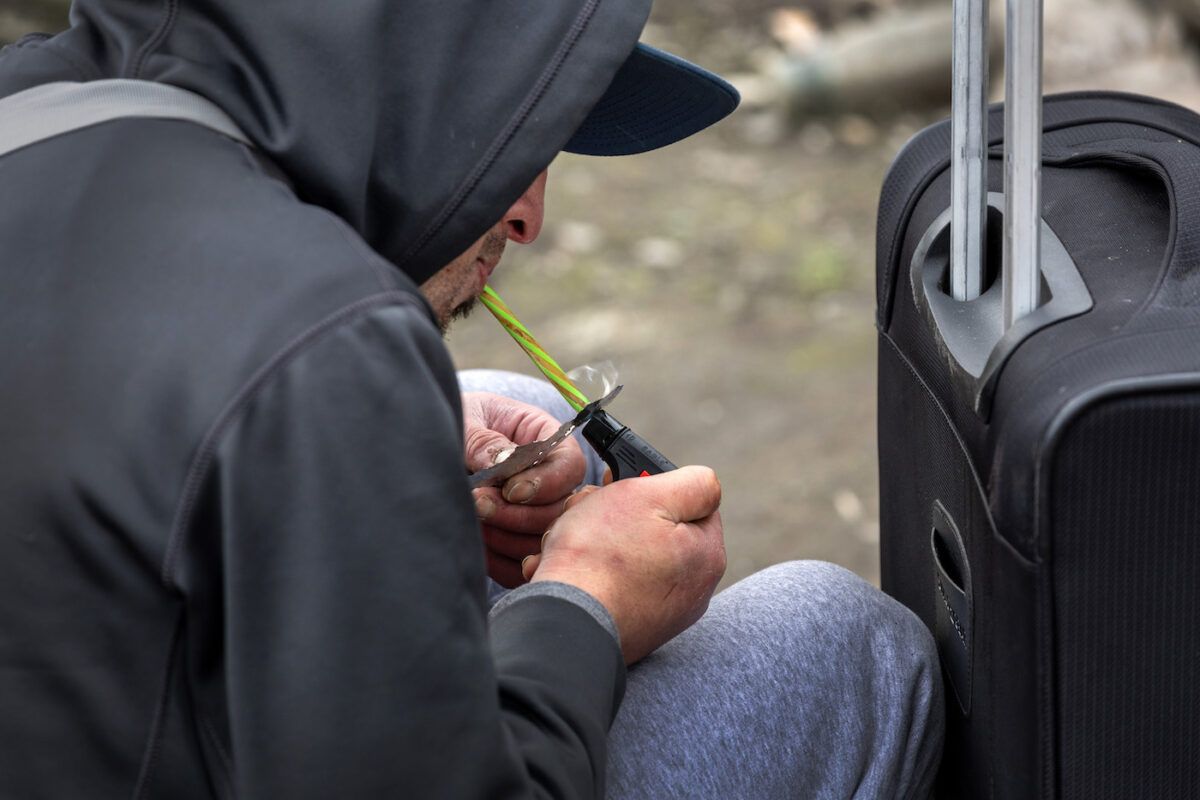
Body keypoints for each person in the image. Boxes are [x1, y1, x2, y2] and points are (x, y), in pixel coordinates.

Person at [0, 1, 941, 798]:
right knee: (840, 640)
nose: (530, 217)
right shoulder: (318, 345)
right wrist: (586, 606)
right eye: (519, 135)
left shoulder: (40, 114)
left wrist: (388, 430)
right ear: (412, 69)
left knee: (499, 397)